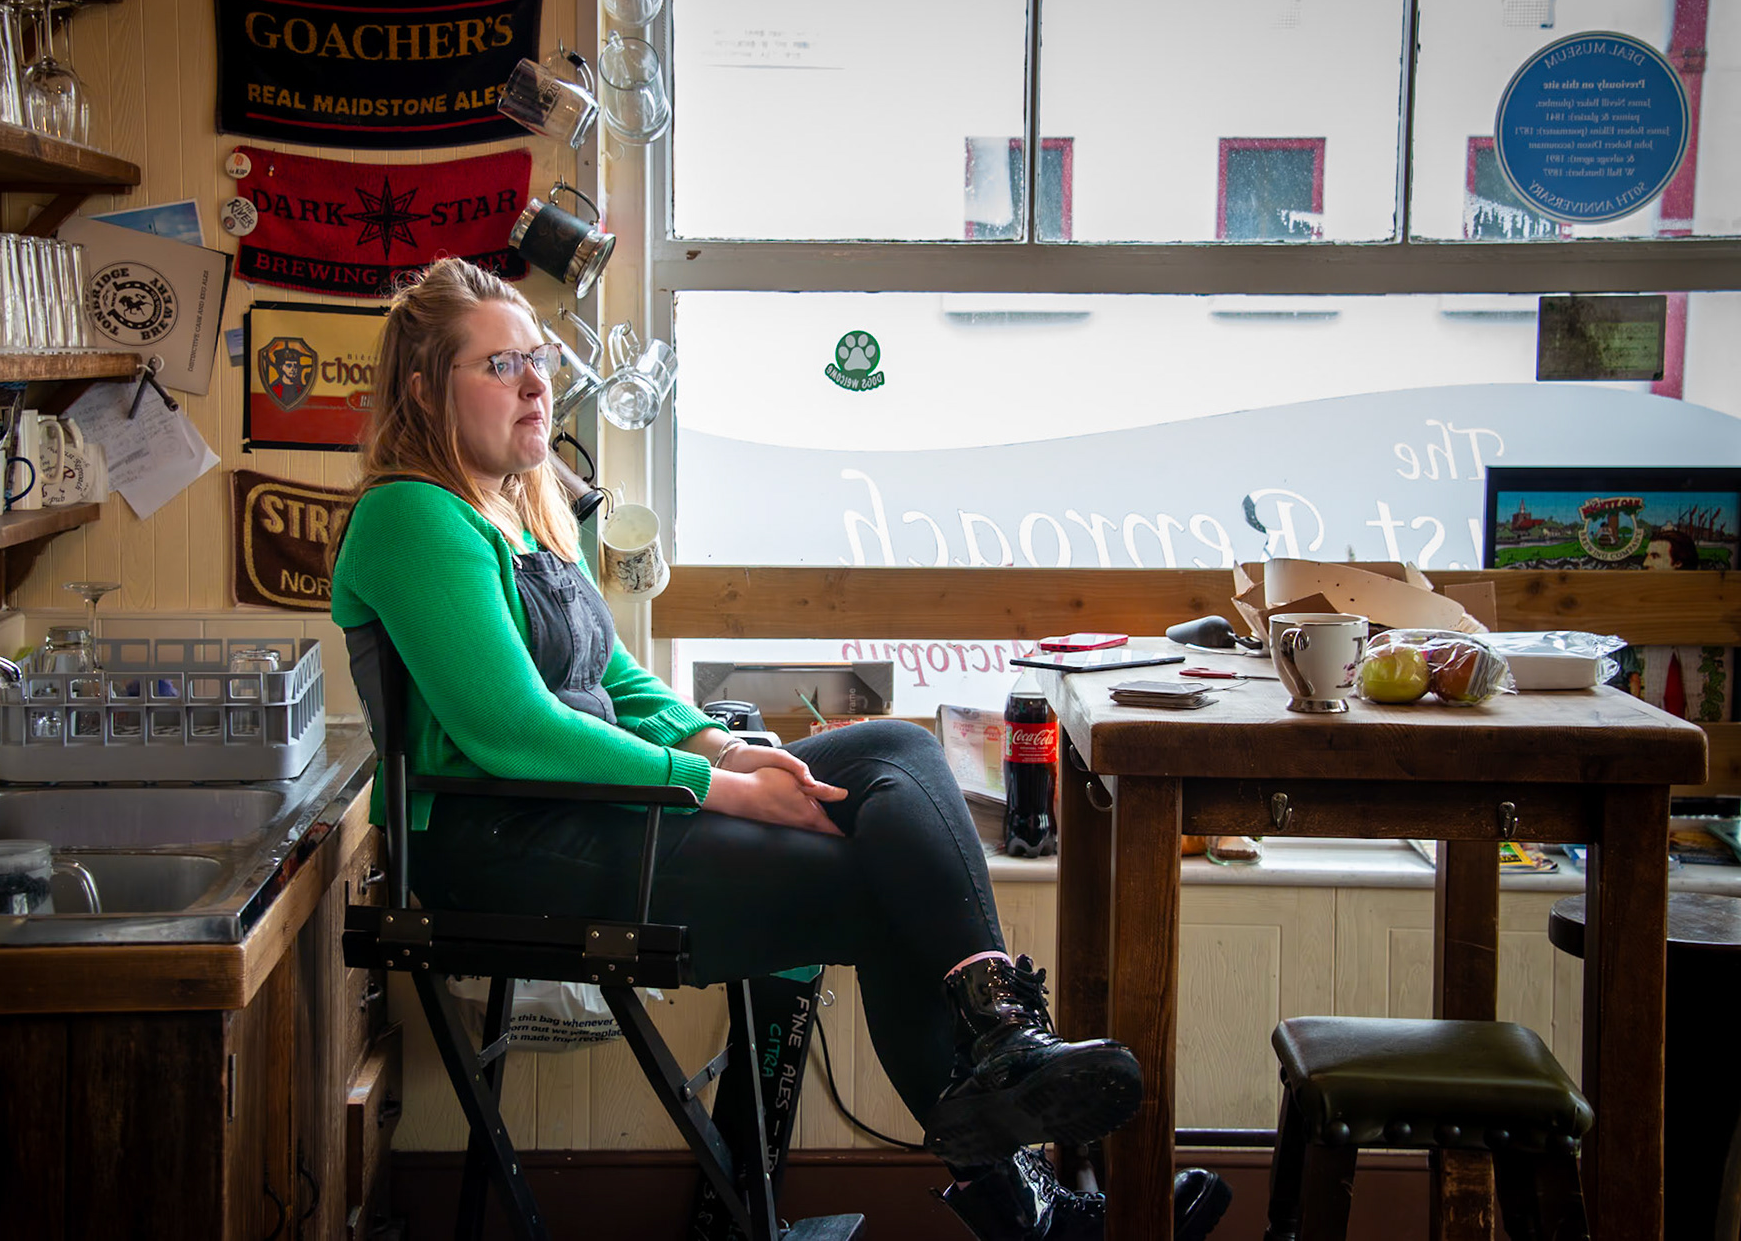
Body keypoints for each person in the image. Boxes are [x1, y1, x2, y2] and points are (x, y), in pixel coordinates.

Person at [329, 259, 1231, 1241]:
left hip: (593, 814)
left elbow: (617, 680)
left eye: (538, 358)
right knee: (872, 890)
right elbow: (514, 730)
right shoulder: (411, 511)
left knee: (893, 748)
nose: (538, 381)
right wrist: (712, 786)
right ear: (423, 388)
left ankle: (1002, 1033)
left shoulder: (525, 504)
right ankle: (1032, 1203)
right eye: (501, 362)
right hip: (503, 845)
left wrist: (722, 744)